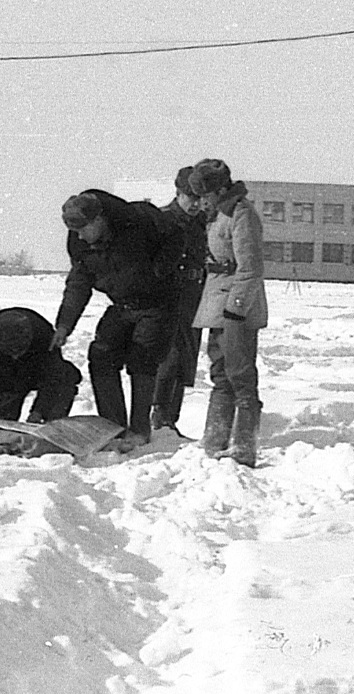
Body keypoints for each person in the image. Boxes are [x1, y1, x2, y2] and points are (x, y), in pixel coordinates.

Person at [51, 189, 182, 450]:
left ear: (99, 220)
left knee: (142, 359)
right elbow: (78, 283)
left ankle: (140, 429)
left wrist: (163, 266)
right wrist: (64, 325)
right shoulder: (80, 243)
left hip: (158, 303)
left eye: (84, 229)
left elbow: (177, 234)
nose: (80, 236)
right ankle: (114, 426)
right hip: (122, 305)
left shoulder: (136, 222)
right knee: (101, 355)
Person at [188, 158, 268, 467]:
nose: (202, 200)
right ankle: (214, 439)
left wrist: (236, 310)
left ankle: (243, 445)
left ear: (220, 189)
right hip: (217, 303)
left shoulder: (241, 214)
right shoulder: (218, 213)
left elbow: (250, 267)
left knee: (240, 375)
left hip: (237, 307)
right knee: (220, 373)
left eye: (205, 194)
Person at [152, 166, 209, 434]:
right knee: (169, 357)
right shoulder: (162, 219)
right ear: (178, 193)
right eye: (190, 197)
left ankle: (170, 419)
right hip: (167, 297)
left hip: (194, 297)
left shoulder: (202, 222)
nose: (196, 203)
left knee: (186, 358)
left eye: (199, 197)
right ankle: (158, 415)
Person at [0, 307, 82, 422]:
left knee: (67, 376)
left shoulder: (44, 334)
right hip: (3, 377)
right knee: (2, 421)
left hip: (33, 371)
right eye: (10, 352)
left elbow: (54, 376)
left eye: (19, 350)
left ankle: (51, 427)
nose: (15, 356)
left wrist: (39, 411)